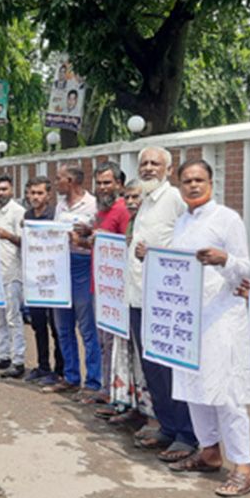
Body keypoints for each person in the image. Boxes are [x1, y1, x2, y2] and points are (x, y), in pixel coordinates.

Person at [146, 160, 250, 497]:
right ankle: (209, 451)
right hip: (189, 319)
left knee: (226, 392)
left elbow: (246, 268)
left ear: (211, 182)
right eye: (187, 181)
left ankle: (244, 466)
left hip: (222, 316)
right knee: (194, 388)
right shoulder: (182, 221)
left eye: (199, 180)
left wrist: (224, 259)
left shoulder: (227, 218)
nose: (193, 186)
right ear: (179, 186)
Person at [127, 146, 197, 462]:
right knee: (152, 368)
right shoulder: (144, 202)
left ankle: (187, 434)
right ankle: (167, 426)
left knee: (171, 370)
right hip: (139, 297)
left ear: (169, 170)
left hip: (166, 302)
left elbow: (190, 246)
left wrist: (155, 256)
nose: (149, 168)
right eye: (144, 163)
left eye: (156, 163)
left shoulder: (175, 201)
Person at [98, 179, 155, 426]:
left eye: (136, 197)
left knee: (146, 362)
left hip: (147, 301)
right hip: (124, 297)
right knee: (127, 356)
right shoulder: (132, 223)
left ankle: (153, 415)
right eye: (128, 197)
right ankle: (133, 406)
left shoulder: (152, 225)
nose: (131, 202)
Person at [44, 165, 101, 398]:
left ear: (72, 181)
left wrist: (84, 235)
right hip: (60, 264)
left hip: (83, 265)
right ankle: (71, 376)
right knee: (62, 326)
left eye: (59, 179)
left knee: (87, 327)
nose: (56, 183)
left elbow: (98, 236)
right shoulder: (60, 205)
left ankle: (94, 381)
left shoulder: (92, 204)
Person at [82, 162, 130, 404]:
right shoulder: (101, 211)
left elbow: (127, 245)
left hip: (116, 289)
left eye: (107, 183)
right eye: (99, 183)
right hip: (97, 284)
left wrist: (103, 237)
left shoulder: (123, 210)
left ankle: (116, 394)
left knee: (114, 343)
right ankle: (105, 388)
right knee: (102, 341)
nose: (102, 188)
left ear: (119, 185)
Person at [21, 177, 65, 386]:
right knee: (38, 325)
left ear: (48, 195)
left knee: (56, 326)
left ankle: (60, 369)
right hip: (35, 280)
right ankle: (42, 366)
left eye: (39, 193)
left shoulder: (55, 215)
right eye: (32, 193)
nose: (35, 197)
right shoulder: (27, 216)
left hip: (54, 279)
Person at [0, 174, 27, 378]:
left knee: (13, 318)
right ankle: (3, 355)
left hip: (13, 272)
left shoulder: (18, 212)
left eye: (4, 189)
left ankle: (18, 360)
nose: (1, 193)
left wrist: (7, 235)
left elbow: (26, 242)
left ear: (11, 189)